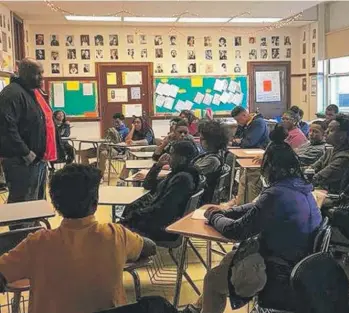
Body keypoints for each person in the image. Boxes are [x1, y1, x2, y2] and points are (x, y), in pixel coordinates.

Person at [182, 135, 322, 313]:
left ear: (269, 167)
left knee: (212, 279)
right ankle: (198, 307)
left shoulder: (276, 194)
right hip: (297, 260)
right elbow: (257, 206)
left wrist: (213, 216)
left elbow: (236, 231)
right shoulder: (300, 187)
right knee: (229, 258)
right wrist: (225, 212)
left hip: (277, 268)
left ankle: (202, 308)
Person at [0, 164, 156, 313]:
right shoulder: (116, 235)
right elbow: (150, 247)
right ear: (95, 204)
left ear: (55, 205)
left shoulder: (36, 243)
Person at [0, 58, 57, 203]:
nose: (42, 77)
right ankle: (24, 227)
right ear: (24, 73)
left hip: (38, 159)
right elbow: (6, 128)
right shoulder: (12, 94)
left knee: (37, 203)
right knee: (23, 206)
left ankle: (35, 226)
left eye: (42, 73)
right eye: (37, 74)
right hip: (22, 161)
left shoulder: (32, 93)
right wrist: (26, 153)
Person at [122, 141, 201, 241]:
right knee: (131, 206)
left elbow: (164, 210)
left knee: (119, 229)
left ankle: (129, 247)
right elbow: (148, 185)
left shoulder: (182, 179)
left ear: (181, 159)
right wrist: (158, 166)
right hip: (161, 221)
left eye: (172, 154)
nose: (168, 157)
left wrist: (136, 215)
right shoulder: (178, 173)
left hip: (163, 228)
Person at [310, 114, 349, 193]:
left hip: (333, 196)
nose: (325, 132)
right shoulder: (330, 150)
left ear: (342, 135)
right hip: (320, 191)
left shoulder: (345, 157)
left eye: (331, 130)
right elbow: (312, 168)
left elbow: (318, 178)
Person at [192, 120, 229, 204]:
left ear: (211, 141)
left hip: (200, 199)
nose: (200, 141)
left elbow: (192, 173)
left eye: (202, 139)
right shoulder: (211, 155)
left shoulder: (212, 160)